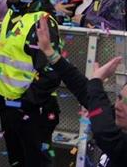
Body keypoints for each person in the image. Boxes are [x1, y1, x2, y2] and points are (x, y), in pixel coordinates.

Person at [0, 0, 61, 167]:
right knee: (17, 161)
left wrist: (26, 103)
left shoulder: (41, 20)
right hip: (9, 106)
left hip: (31, 110)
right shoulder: (12, 13)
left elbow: (51, 72)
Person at [36, 15, 127, 165]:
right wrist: (51, 54)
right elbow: (85, 92)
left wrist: (96, 82)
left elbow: (103, 130)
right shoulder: (117, 118)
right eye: (119, 98)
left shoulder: (118, 141)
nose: (118, 106)